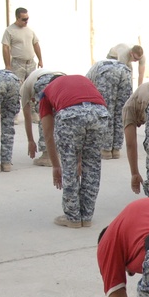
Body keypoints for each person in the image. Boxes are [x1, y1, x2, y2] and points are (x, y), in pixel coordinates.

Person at [38, 75, 109, 228]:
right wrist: (80, 159)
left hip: (71, 115)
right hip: (100, 114)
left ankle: (73, 217)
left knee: (69, 168)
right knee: (92, 166)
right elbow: (87, 113)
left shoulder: (46, 92)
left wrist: (56, 166)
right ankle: (87, 215)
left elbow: (48, 133)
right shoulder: (81, 80)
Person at [86, 59, 133, 159]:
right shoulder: (93, 70)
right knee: (122, 111)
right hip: (125, 71)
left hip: (106, 72)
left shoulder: (88, 78)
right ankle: (116, 149)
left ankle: (106, 149)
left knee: (106, 111)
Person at [20, 67, 66, 166]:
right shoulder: (34, 77)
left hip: (44, 81)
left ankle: (47, 155)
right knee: (62, 115)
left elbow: (27, 117)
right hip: (63, 78)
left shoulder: (24, 88)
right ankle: (62, 151)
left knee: (45, 114)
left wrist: (30, 140)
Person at [1, 8, 42, 84]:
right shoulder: (9, 30)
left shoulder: (30, 30)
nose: (26, 21)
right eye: (24, 19)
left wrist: (40, 60)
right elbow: (5, 47)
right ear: (17, 18)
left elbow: (36, 44)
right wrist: (7, 65)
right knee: (18, 86)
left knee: (32, 84)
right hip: (18, 64)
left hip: (30, 63)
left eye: (27, 19)